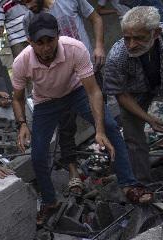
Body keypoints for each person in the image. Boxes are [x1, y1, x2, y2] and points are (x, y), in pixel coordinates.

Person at [11, 13, 152, 225]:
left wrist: (100, 129)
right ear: (30, 42)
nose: (46, 47)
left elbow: (94, 91)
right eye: (39, 43)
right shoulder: (21, 62)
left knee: (111, 127)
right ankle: (50, 201)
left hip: (76, 91)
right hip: (45, 102)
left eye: (50, 40)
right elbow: (18, 98)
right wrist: (22, 124)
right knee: (38, 154)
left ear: (58, 36)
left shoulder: (74, 48)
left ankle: (128, 184)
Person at [23, 0, 108, 196]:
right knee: (66, 125)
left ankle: (107, 161)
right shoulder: (29, 19)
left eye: (27, 0)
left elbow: (96, 18)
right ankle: (73, 172)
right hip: (59, 81)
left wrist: (99, 45)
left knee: (101, 117)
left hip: (86, 68)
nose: (27, 6)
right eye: (21, 2)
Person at [104, 6, 163, 184]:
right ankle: (142, 183)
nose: (131, 45)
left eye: (139, 38)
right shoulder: (117, 56)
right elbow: (120, 94)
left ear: (156, 33)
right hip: (133, 92)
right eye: (127, 38)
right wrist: (149, 119)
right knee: (133, 136)